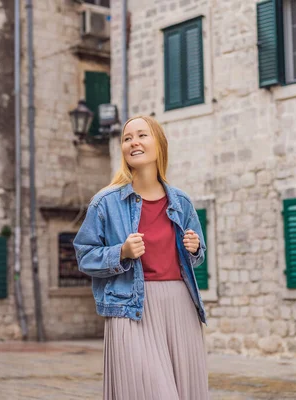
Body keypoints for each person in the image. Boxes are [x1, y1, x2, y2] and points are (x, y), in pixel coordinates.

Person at [73, 116, 209, 400]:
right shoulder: (105, 203)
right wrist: (120, 252)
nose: (133, 142)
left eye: (141, 135)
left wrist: (195, 248)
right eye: (126, 138)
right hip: (130, 310)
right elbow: (84, 256)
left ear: (159, 144)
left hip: (180, 308)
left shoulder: (181, 202)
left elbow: (196, 257)